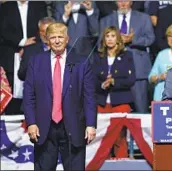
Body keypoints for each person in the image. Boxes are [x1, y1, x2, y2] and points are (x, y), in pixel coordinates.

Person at [23, 23, 97, 170]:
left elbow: (89, 96)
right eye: (53, 37)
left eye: (60, 37)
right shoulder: (36, 61)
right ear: (47, 40)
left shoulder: (81, 62)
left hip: (74, 127)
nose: (57, 41)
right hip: (44, 128)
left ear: (67, 38)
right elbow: (29, 95)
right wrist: (31, 122)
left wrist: (91, 124)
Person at [99, 0, 155, 113]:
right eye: (120, 1)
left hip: (138, 70)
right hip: (114, 74)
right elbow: (100, 43)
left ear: (132, 2)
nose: (123, 3)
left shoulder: (143, 18)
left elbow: (150, 39)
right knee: (118, 112)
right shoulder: (106, 20)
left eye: (126, 0)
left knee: (141, 110)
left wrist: (132, 40)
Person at [93, 26, 135, 158]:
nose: (110, 39)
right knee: (101, 138)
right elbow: (91, 79)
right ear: (104, 39)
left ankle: (121, 162)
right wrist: (102, 85)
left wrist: (114, 82)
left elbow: (131, 79)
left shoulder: (127, 55)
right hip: (101, 102)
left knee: (119, 137)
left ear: (118, 38)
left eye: (113, 36)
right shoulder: (97, 56)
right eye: (107, 36)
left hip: (120, 102)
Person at [18, 17, 56, 81]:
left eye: (48, 31)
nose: (45, 34)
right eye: (42, 31)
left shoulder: (64, 49)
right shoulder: (30, 50)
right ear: (39, 32)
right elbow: (21, 75)